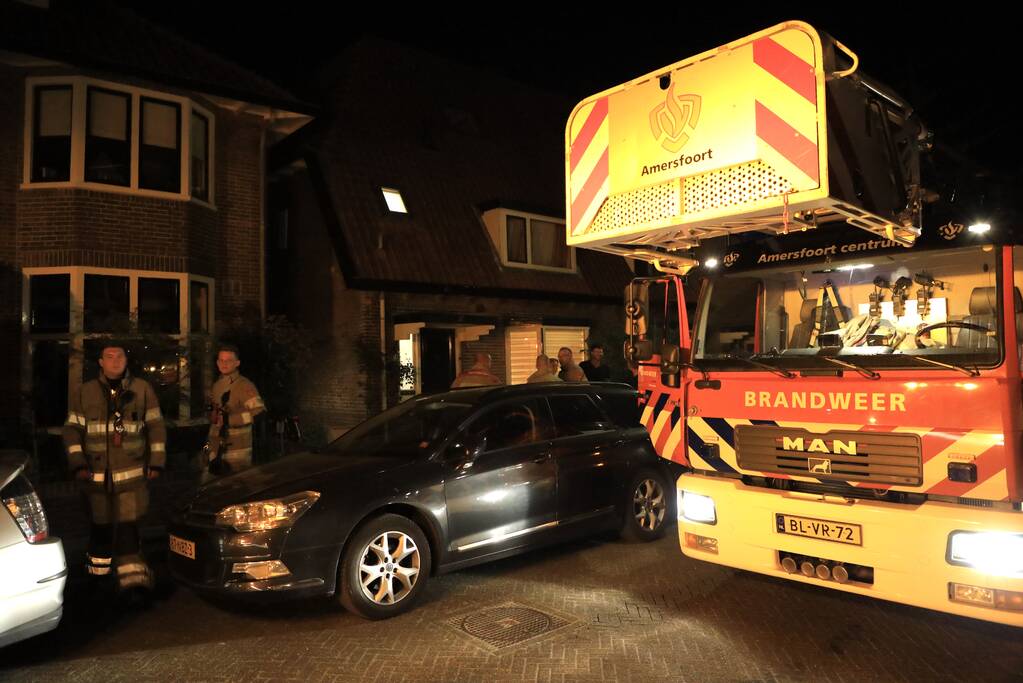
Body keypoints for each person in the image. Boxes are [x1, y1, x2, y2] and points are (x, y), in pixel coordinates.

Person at [63, 344, 166, 596]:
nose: (115, 360)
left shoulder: (141, 389)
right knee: (100, 526)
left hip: (131, 474)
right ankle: (97, 578)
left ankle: (133, 583)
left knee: (129, 526)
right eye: (109, 356)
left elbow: (155, 426)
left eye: (120, 355)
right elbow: (72, 430)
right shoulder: (84, 392)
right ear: (100, 362)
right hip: (95, 476)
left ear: (125, 359)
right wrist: (78, 463)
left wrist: (156, 462)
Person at [205, 345, 265, 477]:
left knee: (237, 488)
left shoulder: (244, 385)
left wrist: (230, 420)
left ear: (237, 363)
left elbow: (259, 413)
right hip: (216, 448)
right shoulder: (217, 385)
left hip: (237, 451)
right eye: (221, 360)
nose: (224, 363)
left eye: (228, 360)